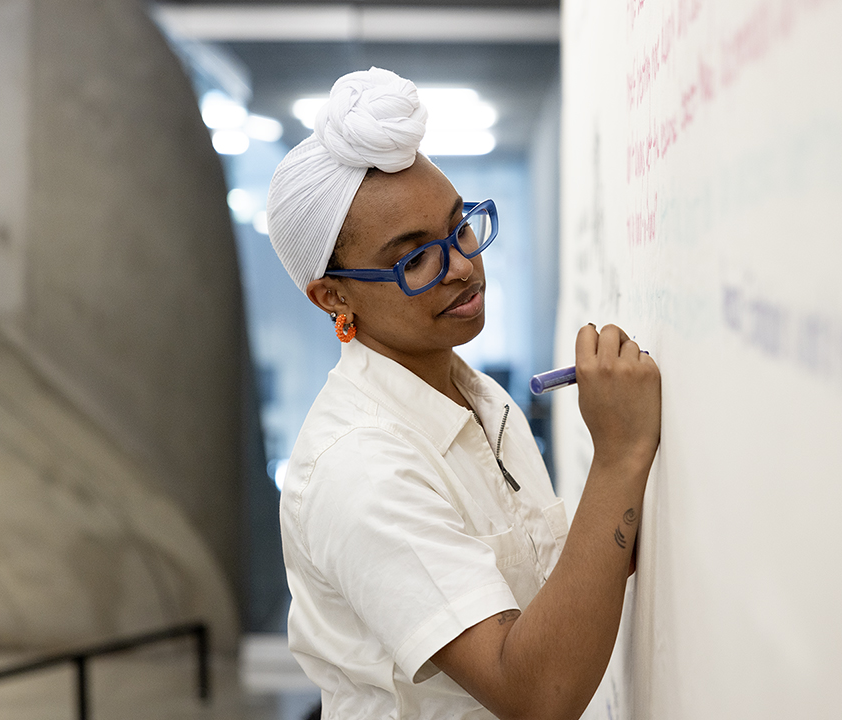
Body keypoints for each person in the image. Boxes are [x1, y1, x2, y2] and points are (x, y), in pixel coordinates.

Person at [266, 67, 661, 720]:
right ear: (333, 296)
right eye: (414, 258)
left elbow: (545, 582)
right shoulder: (361, 466)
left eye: (460, 226)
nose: (462, 265)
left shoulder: (473, 393)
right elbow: (532, 694)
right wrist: (618, 456)